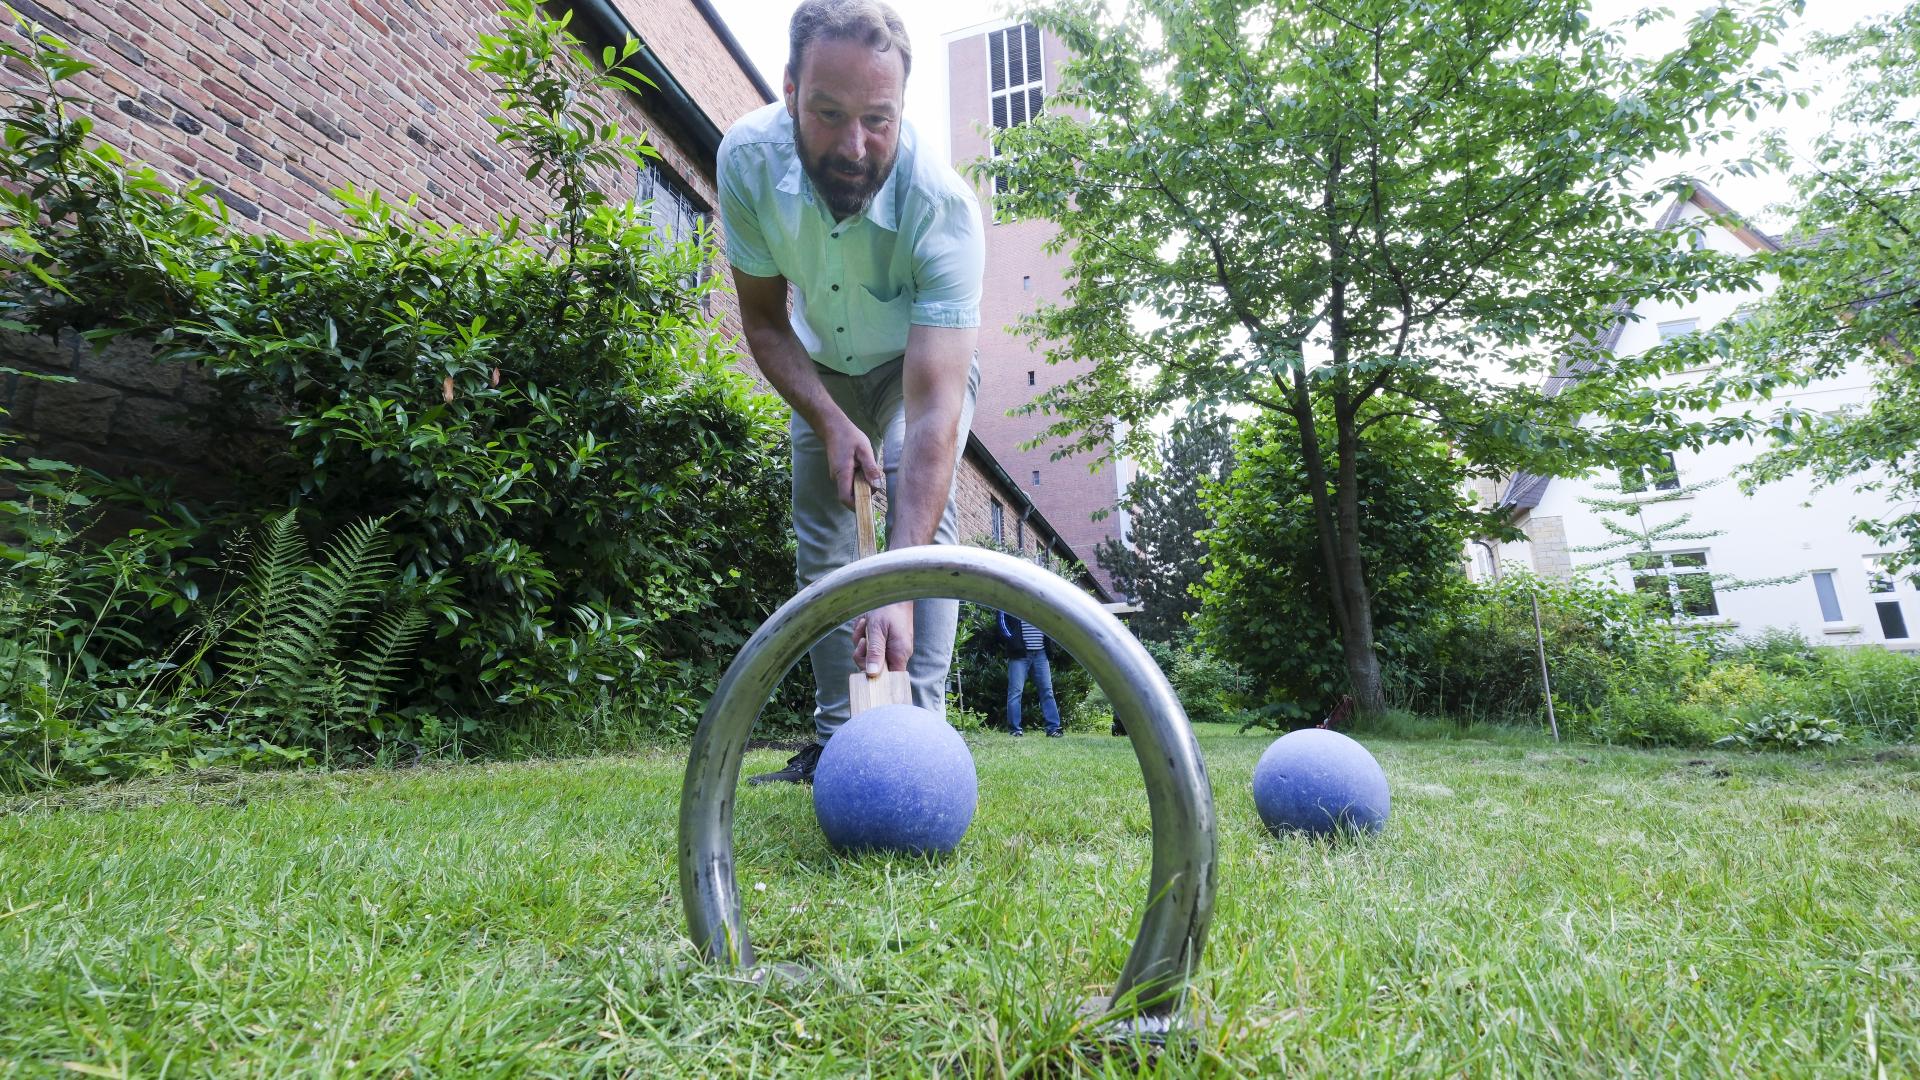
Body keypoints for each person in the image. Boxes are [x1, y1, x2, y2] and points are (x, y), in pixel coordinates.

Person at [721, 0, 984, 784]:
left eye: (878, 118)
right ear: (791, 88)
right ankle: (838, 747)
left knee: (916, 525)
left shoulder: (943, 208)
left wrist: (896, 588)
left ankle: (917, 742)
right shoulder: (748, 162)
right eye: (829, 113)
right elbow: (766, 324)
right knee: (826, 549)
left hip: (916, 369)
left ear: (902, 108)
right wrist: (830, 419)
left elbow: (936, 413)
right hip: (821, 368)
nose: (853, 146)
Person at [996, 610, 1062, 737]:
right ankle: (1015, 730)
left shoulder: (1042, 600)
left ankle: (1053, 728)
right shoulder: (1011, 598)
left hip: (1041, 653)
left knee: (1047, 691)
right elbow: (1001, 621)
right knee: (1015, 692)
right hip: (1019, 654)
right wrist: (1014, 641)